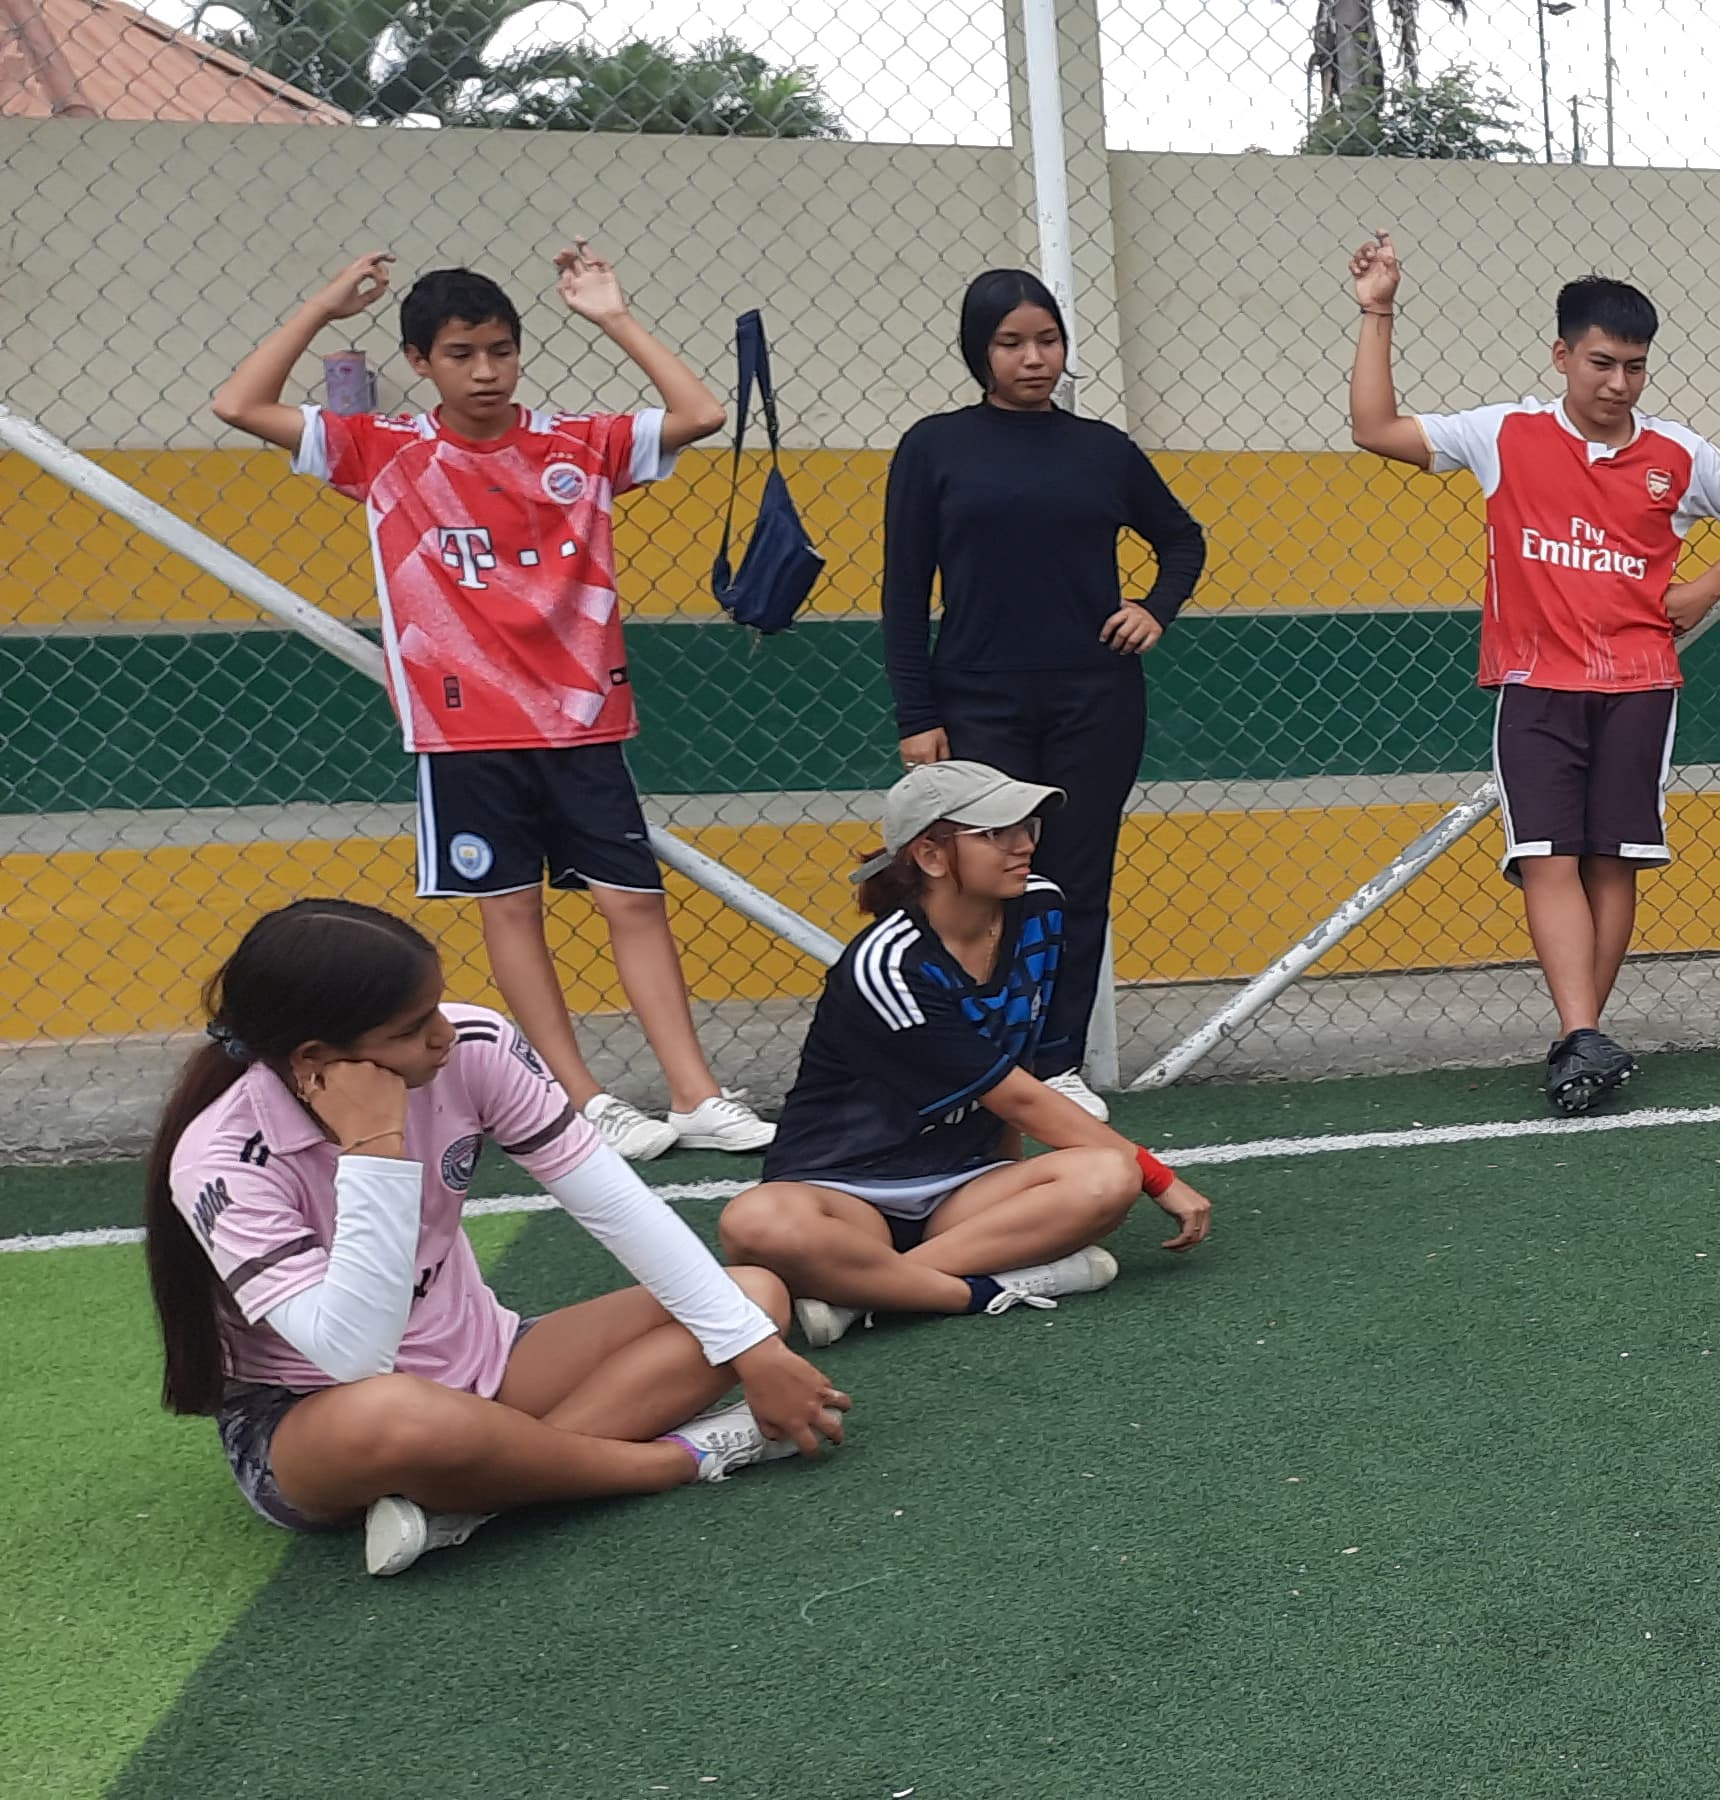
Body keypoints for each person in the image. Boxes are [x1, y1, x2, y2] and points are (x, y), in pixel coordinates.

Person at [208, 249, 771, 1163]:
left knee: (634, 903)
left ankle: (696, 1096)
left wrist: (612, 315)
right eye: (461, 354)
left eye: (501, 351)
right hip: (464, 730)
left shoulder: (579, 443)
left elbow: (700, 414)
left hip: (584, 721)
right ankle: (582, 1101)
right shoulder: (383, 447)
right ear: (419, 360)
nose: (485, 372)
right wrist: (321, 306)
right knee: (512, 913)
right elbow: (238, 404)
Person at [142, 900, 847, 1578]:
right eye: (412, 1028)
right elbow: (356, 1356)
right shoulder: (222, 1159)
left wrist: (752, 1349)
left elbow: (616, 1205)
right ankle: (672, 1460)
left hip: (491, 1364)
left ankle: (476, 1498)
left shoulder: (474, 1045)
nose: (444, 1035)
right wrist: (375, 1146)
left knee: (750, 1297)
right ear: (318, 1059)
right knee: (395, 1412)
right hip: (320, 1417)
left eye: (437, 1007)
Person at [1345, 237, 1720, 1114]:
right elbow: (1373, 428)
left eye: (1635, 366)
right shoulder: (1503, 434)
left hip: (1639, 685)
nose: (1619, 383)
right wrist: (1378, 311)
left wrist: (1705, 586)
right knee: (1547, 858)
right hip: (1535, 684)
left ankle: (1580, 1038)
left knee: (1614, 862)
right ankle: (1582, 1033)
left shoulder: (1676, 453)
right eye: (1601, 363)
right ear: (1561, 356)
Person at [716, 762, 1215, 1346]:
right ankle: (978, 1288)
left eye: (1026, 827)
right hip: (843, 1191)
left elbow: (1018, 1054)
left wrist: (1028, 1178)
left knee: (1107, 1177)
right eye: (995, 833)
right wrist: (1161, 1178)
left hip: (963, 1188)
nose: (1023, 845)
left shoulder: (1040, 907)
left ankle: (861, 1294)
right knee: (753, 1224)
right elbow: (1020, 1099)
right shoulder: (888, 965)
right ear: (931, 855)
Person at [880, 269, 1208, 1121]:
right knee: (977, 882)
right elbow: (903, 592)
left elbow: (1182, 539)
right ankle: (973, 1059)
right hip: (977, 701)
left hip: (1095, 701)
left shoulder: (1103, 450)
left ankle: (1056, 1063)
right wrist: (918, 716)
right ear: (979, 351)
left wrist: (1154, 608)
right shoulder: (934, 447)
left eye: (1048, 340)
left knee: (1075, 881)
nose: (1034, 359)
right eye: (1011, 343)